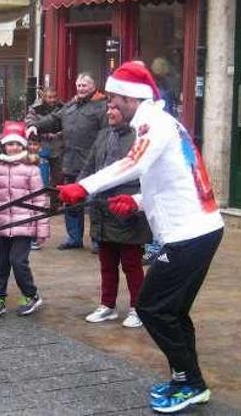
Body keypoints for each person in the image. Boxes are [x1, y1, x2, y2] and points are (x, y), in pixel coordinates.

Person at [58, 62, 224, 413]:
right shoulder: (161, 124)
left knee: (151, 307)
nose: (111, 105)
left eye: (116, 99)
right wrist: (135, 201)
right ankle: (188, 381)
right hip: (196, 230)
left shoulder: (153, 124)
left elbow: (132, 164)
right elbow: (169, 178)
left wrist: (83, 186)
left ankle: (189, 382)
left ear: (134, 98)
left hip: (190, 234)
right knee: (172, 311)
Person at [79, 100, 152, 328]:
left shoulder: (138, 138)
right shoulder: (102, 135)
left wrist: (134, 201)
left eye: (115, 108)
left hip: (126, 209)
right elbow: (90, 166)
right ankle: (107, 305)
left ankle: (137, 308)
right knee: (106, 263)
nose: (110, 112)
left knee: (131, 264)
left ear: (128, 111)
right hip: (102, 209)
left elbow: (143, 175)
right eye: (109, 108)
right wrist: (80, 187)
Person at [27, 73, 107, 250]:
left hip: (92, 164)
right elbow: (55, 119)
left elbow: (105, 135)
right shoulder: (71, 105)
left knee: (94, 204)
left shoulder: (102, 107)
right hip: (70, 161)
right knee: (71, 202)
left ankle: (97, 240)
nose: (80, 88)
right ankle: (74, 238)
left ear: (93, 87)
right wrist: (35, 126)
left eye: (84, 85)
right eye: (78, 85)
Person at [0, 121, 48, 318]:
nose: (13, 148)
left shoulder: (32, 170)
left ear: (23, 146)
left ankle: (31, 294)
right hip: (3, 224)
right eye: (9, 144)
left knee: (18, 261)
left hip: (24, 224)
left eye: (17, 144)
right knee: (2, 262)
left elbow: (40, 199)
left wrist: (42, 229)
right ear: (3, 145)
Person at [25, 86, 64, 187]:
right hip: (41, 147)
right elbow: (30, 125)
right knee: (40, 177)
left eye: (54, 97)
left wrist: (62, 133)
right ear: (44, 97)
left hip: (58, 148)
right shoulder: (35, 109)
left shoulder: (62, 107)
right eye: (49, 97)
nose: (52, 100)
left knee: (58, 178)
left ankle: (55, 201)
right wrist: (47, 135)